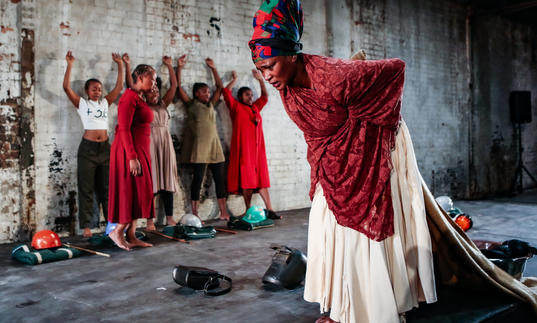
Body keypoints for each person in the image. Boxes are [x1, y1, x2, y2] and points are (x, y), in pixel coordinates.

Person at [248, 1, 437, 322]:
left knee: (361, 233)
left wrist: (360, 122)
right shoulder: (287, 85)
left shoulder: (334, 77)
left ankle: (372, 312)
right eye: (261, 68)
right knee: (328, 230)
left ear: (293, 55)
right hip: (333, 163)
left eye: (271, 66)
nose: (266, 76)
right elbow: (318, 130)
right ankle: (342, 308)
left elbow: (396, 68)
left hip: (369, 154)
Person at [62, 51, 124, 238]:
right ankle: (87, 227)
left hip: (105, 149)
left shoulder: (105, 103)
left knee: (108, 188)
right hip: (88, 150)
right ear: (87, 91)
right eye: (93, 89)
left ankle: (112, 225)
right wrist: (70, 64)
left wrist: (120, 64)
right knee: (86, 188)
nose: (97, 91)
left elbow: (119, 87)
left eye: (99, 88)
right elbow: (66, 88)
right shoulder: (83, 104)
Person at [123, 54, 178, 230]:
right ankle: (149, 221)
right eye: (151, 92)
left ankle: (169, 217)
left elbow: (175, 86)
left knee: (167, 180)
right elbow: (130, 86)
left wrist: (171, 66)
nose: (154, 94)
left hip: (165, 144)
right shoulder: (141, 106)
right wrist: (127, 65)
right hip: (150, 144)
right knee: (152, 182)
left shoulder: (163, 104)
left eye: (156, 91)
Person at [108, 64, 156, 250]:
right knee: (130, 190)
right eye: (151, 78)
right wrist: (131, 156)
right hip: (129, 151)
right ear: (141, 77)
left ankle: (132, 235)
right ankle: (117, 231)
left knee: (139, 192)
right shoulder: (128, 97)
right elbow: (124, 128)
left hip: (139, 150)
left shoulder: (139, 97)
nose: (153, 82)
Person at [177, 55, 231, 221]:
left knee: (219, 180)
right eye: (203, 92)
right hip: (200, 148)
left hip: (214, 147)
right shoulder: (192, 105)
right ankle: (195, 212)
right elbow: (179, 88)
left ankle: (223, 211)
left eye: (208, 91)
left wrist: (213, 68)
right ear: (196, 94)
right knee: (198, 180)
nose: (207, 94)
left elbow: (220, 89)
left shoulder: (211, 105)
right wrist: (179, 68)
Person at [223, 69, 280, 219]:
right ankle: (248, 209)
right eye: (247, 94)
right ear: (240, 96)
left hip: (257, 150)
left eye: (251, 94)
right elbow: (225, 92)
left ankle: (270, 209)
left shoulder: (255, 107)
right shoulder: (235, 107)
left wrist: (260, 80)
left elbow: (265, 97)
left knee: (261, 179)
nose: (251, 96)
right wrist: (234, 80)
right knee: (247, 180)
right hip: (244, 150)